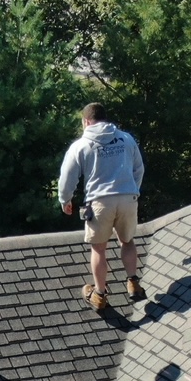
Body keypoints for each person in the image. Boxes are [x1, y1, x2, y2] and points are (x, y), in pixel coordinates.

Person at [57, 102, 146, 310]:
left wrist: (65, 199)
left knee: (98, 248)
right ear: (105, 119)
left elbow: (67, 177)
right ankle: (133, 283)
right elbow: (139, 169)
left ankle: (99, 294)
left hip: (100, 202)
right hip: (127, 197)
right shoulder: (125, 139)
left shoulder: (81, 145)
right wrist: (133, 190)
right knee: (127, 241)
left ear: (86, 121)